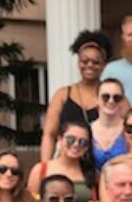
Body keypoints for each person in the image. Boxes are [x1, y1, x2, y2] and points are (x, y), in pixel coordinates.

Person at [41, 31, 113, 161]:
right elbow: (49, 134)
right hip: (67, 162)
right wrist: (45, 167)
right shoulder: (62, 94)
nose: (89, 65)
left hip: (101, 165)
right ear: (78, 62)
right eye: (85, 61)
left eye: (95, 62)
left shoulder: (113, 96)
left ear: (104, 64)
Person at [27, 121, 101, 202]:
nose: (76, 145)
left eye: (82, 142)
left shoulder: (93, 172)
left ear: (87, 147)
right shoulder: (41, 170)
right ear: (60, 139)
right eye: (71, 140)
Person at [91, 78, 129, 169]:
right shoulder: (86, 131)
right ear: (96, 99)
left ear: (122, 101)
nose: (111, 101)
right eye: (105, 97)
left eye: (116, 98)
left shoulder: (131, 130)